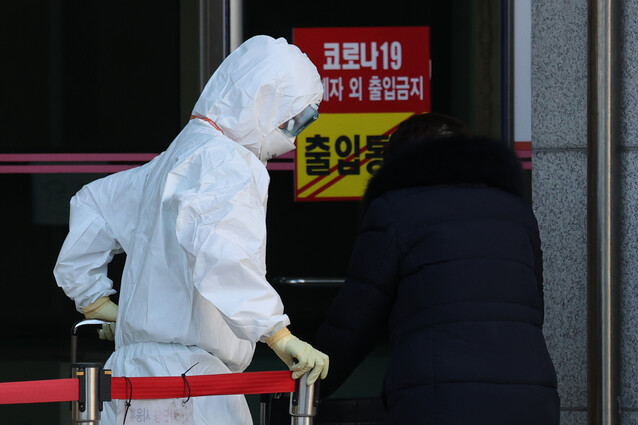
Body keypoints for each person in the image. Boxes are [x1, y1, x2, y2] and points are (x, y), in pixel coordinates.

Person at [54, 35, 329, 425]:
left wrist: (97, 303)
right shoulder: (226, 161)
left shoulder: (175, 158)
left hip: (135, 372)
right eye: (295, 118)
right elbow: (222, 254)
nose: (293, 133)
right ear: (265, 101)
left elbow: (93, 204)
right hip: (189, 383)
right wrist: (277, 333)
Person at [314, 112, 559, 424]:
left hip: (439, 399)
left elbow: (355, 321)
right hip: (530, 396)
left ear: (399, 160)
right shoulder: (516, 212)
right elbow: (532, 309)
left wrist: (304, 384)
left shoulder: (394, 210)